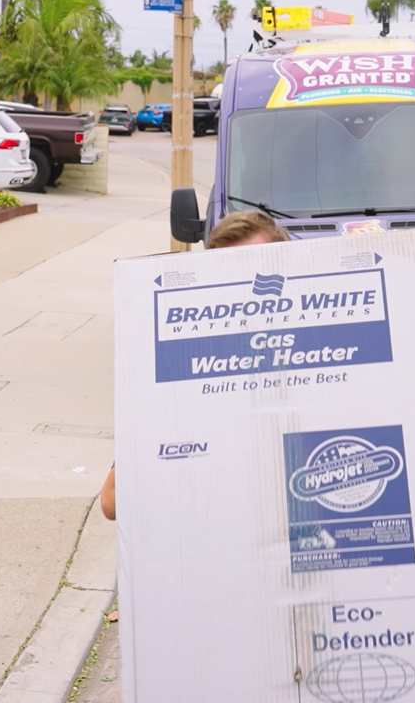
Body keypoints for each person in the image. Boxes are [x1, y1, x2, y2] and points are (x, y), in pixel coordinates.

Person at [100, 210, 291, 520]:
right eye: (231, 271)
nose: (249, 285)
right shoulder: (184, 371)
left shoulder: (330, 367)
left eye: (259, 269)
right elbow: (111, 501)